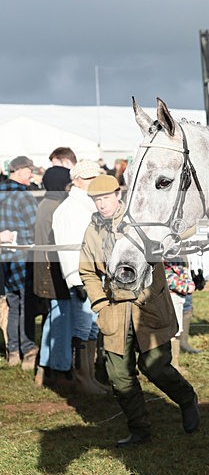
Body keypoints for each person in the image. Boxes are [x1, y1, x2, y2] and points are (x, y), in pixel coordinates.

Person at [79, 175, 200, 446]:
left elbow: (181, 230)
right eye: (97, 200)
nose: (102, 204)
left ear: (118, 195)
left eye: (106, 198)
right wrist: (99, 303)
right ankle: (139, 430)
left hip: (148, 307)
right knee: (119, 377)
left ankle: (186, 398)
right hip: (115, 311)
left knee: (155, 366)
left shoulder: (141, 218)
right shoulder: (93, 230)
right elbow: (87, 271)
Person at [52, 159, 106, 394]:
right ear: (77, 180)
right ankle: (83, 378)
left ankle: (90, 377)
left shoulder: (88, 204)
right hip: (82, 276)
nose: (94, 182)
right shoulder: (69, 209)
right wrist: (75, 279)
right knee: (83, 327)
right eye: (89, 178)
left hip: (95, 274)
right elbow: (68, 247)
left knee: (92, 327)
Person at [33, 166, 73, 388]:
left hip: (46, 271)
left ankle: (44, 367)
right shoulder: (56, 207)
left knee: (53, 319)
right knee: (61, 321)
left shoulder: (45, 204)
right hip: (54, 272)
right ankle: (58, 370)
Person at [0, 156, 39, 369]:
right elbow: (35, 224)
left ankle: (13, 351)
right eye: (29, 170)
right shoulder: (23, 195)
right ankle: (28, 351)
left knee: (13, 304)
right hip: (23, 257)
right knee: (26, 306)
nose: (31, 175)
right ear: (19, 170)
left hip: (5, 257)